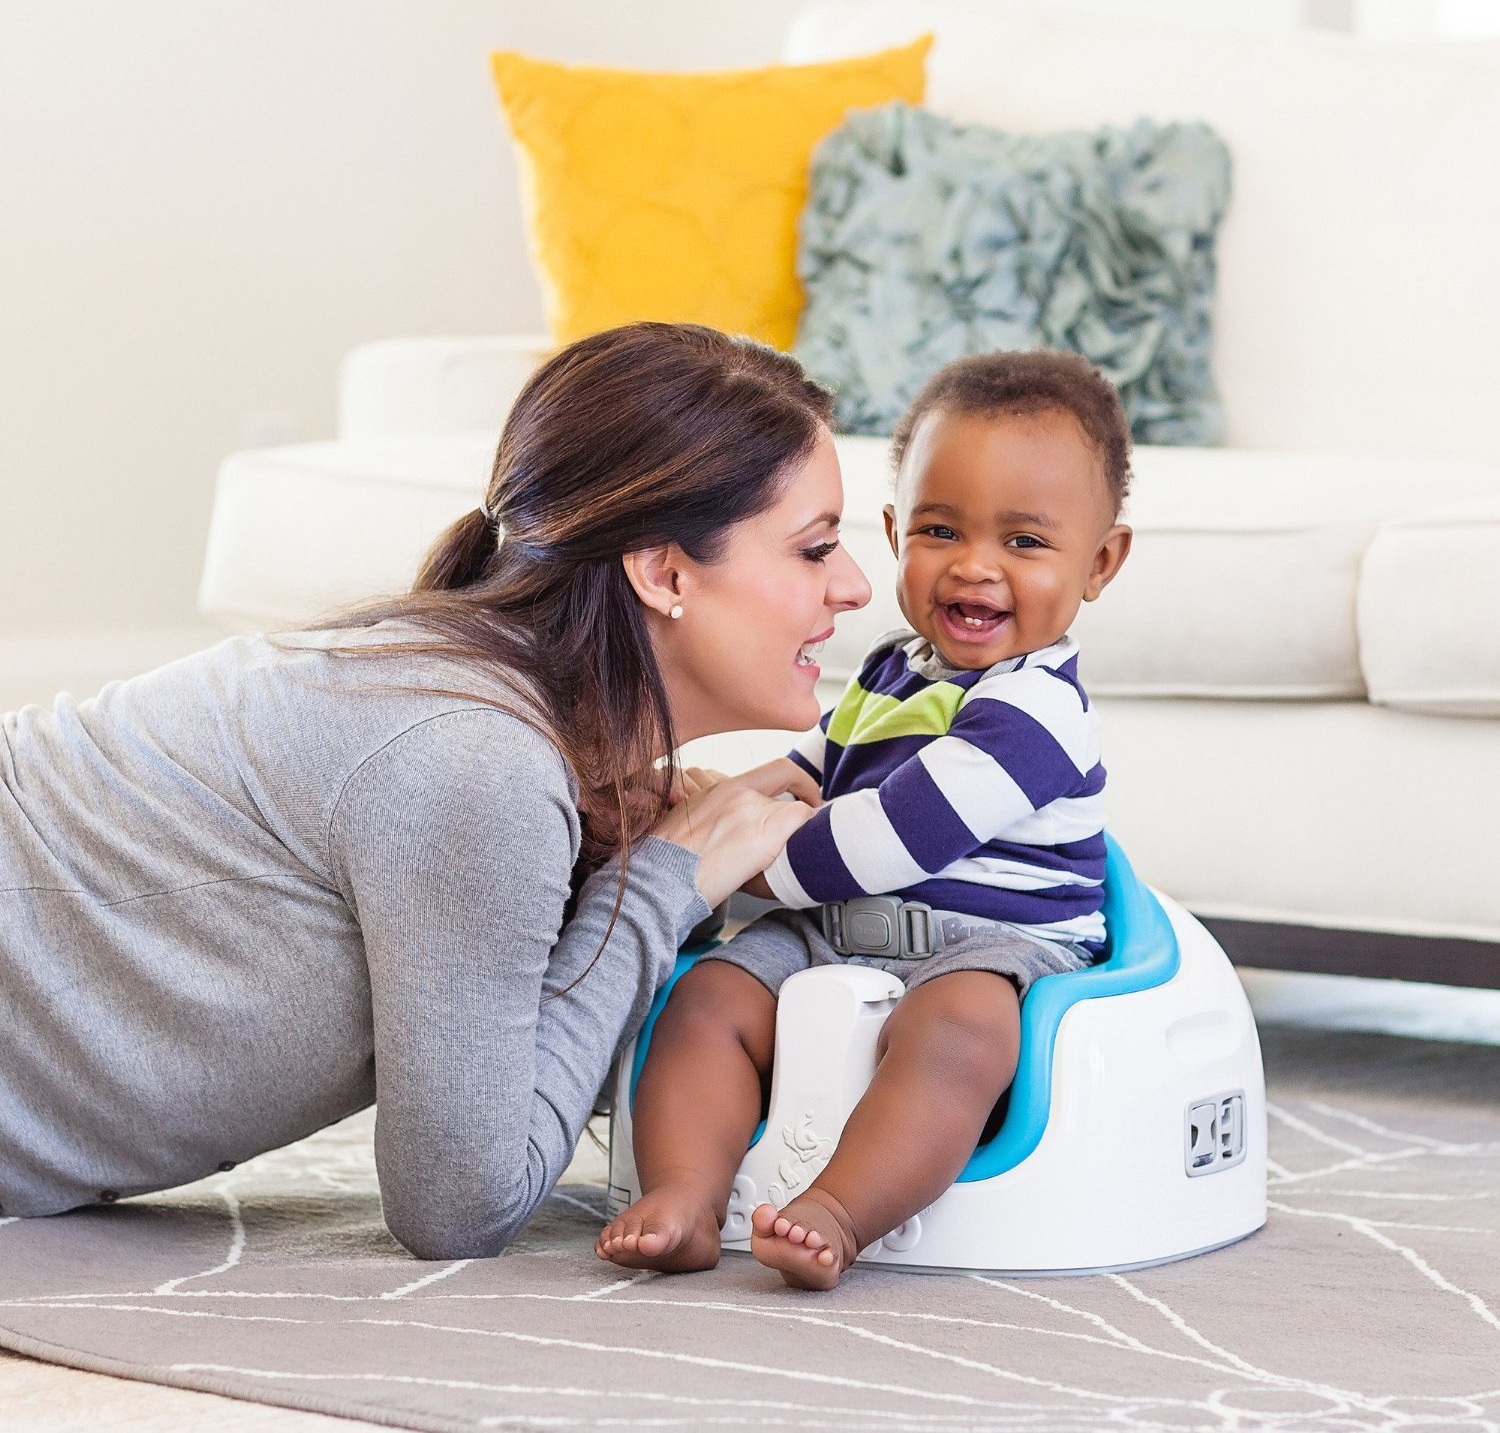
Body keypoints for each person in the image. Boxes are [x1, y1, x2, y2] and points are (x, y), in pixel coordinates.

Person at [0, 322, 871, 1259]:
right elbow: (460, 1205)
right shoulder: (477, 762)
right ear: (664, 573)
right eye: (816, 549)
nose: (859, 586)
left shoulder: (473, 719)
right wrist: (668, 879)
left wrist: (620, 862)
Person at [597, 349, 1134, 1289]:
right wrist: (710, 798)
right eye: (940, 529)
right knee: (705, 1000)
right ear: (893, 534)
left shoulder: (1038, 709)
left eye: (1025, 543)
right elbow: (817, 770)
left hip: (993, 946)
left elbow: (901, 836)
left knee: (961, 1033)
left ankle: (839, 1211)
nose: (975, 567)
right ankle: (684, 1195)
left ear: (1101, 562)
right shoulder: (893, 668)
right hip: (834, 931)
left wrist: (736, 861)